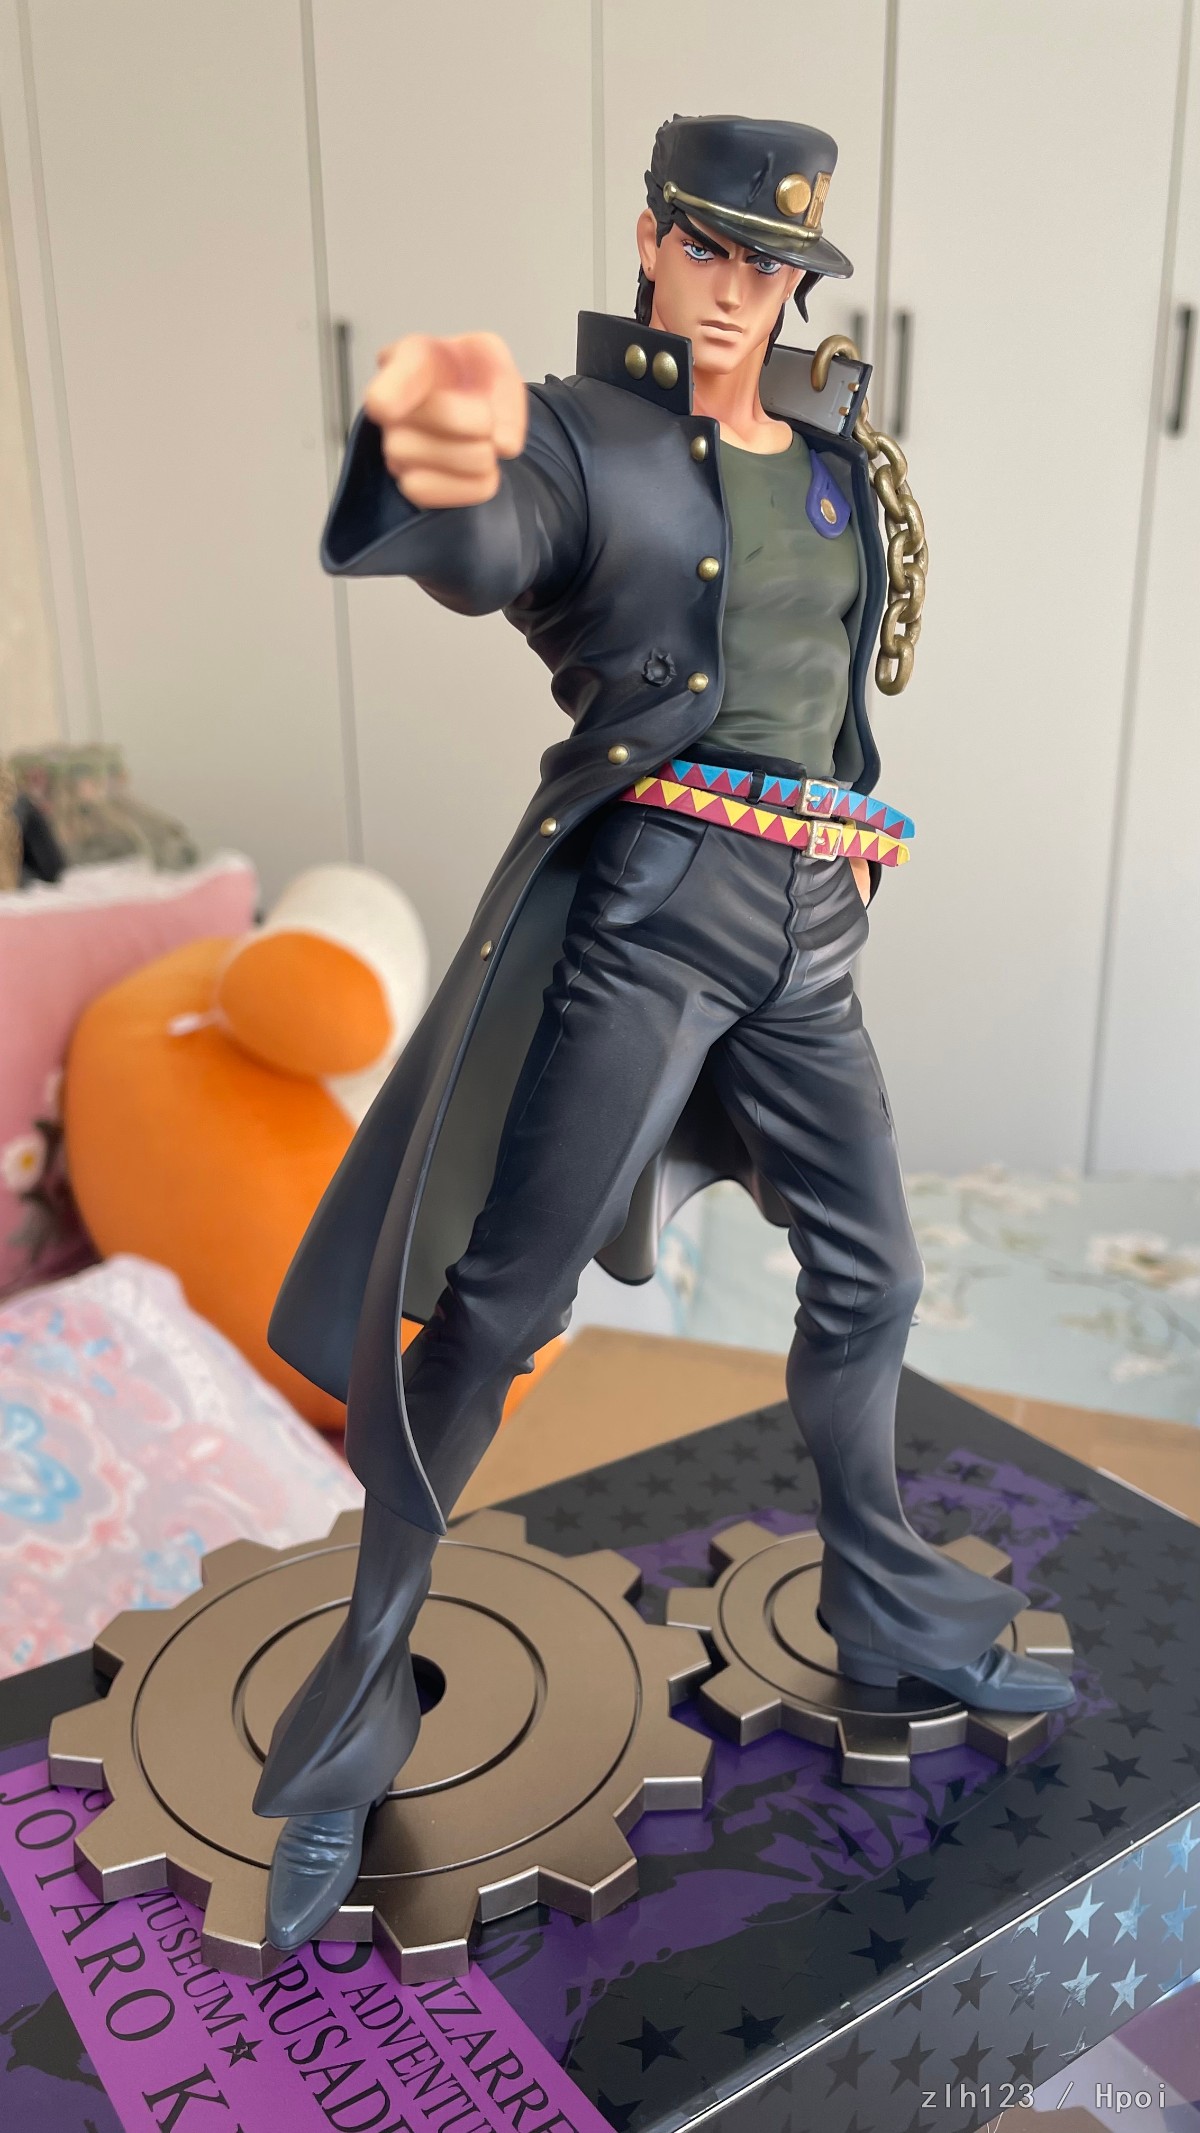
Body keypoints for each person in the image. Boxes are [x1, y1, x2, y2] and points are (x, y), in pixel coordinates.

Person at [253, 112, 1075, 1952]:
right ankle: (347, 1722)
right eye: (707, 249)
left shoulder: (840, 456)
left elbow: (834, 689)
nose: (736, 290)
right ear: (649, 240)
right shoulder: (583, 436)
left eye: (771, 264)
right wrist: (433, 454)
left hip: (811, 921)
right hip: (655, 913)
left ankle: (886, 1603)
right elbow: (492, 544)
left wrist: (841, 852)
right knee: (499, 1306)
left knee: (874, 1272)